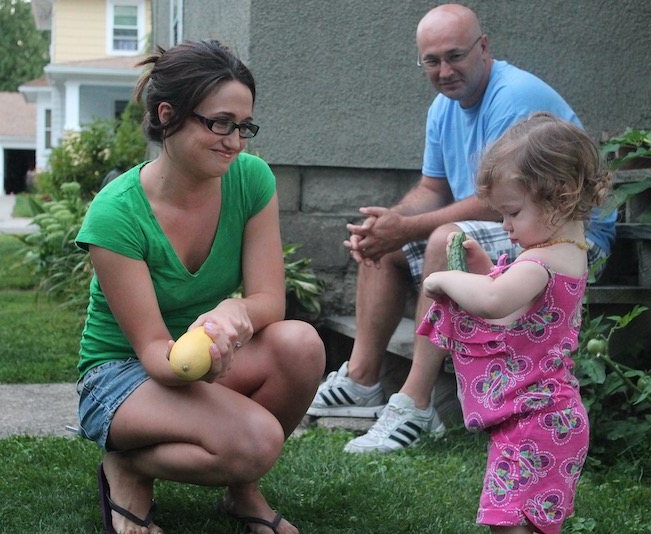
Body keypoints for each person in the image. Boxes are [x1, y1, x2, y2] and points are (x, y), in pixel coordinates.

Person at [306, 3, 615, 453]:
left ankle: (415, 404)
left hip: (570, 236)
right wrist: (390, 224)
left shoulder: (513, 98)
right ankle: (361, 378)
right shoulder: (443, 107)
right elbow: (433, 188)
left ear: (483, 47)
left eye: (455, 55)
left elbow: (504, 205)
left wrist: (411, 229)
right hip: (519, 224)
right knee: (389, 243)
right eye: (432, 61)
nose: (444, 70)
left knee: (444, 239)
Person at [74, 40, 325, 534]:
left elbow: (269, 299)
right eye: (219, 122)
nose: (234, 141)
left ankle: (242, 495)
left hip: (194, 355)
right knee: (255, 441)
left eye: (244, 126)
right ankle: (125, 463)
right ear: (168, 115)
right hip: (122, 378)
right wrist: (206, 357)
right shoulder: (116, 214)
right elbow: (151, 351)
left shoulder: (250, 181)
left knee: (302, 345)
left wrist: (236, 315)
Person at [417, 111, 608, 533]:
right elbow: (515, 307)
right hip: (551, 417)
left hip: (534, 420)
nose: (505, 226)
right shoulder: (567, 250)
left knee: (508, 524)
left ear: (558, 198)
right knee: (525, 522)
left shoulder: (540, 261)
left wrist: (444, 278)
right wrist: (485, 266)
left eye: (513, 212)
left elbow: (492, 302)